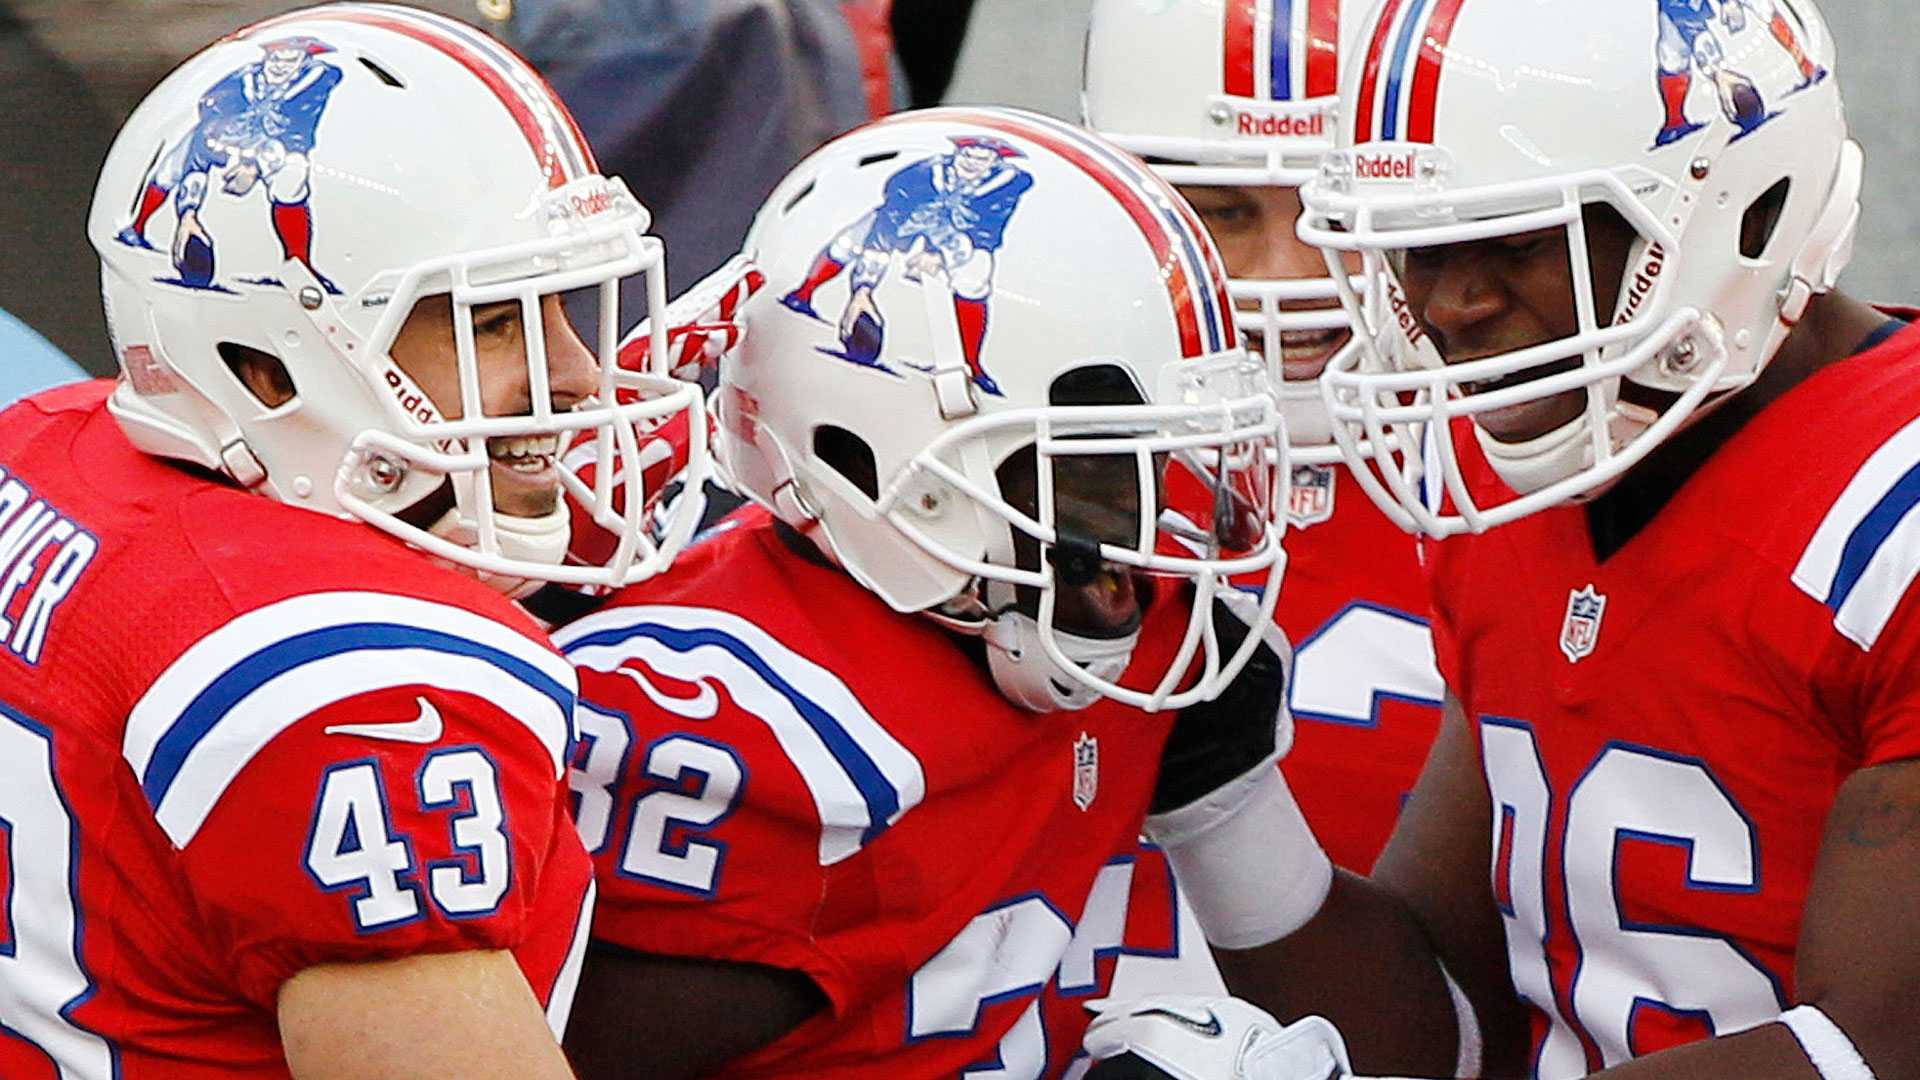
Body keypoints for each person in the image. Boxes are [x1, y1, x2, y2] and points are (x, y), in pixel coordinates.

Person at [1090, 0, 1920, 1076]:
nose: (1453, 304)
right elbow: (1444, 1018)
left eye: (1519, 241)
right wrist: (1223, 799)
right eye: (1417, 247)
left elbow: (1880, 1047)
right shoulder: (1521, 469)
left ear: (1744, 210)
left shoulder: (1890, 503)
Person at [0, 4, 710, 1076]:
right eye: (495, 322)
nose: (578, 376)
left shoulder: (47, 441)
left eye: (562, 307)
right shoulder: (368, 692)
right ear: (267, 364)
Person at [551, 106, 1294, 1078]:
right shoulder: (725, 711)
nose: (1146, 528)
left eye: (1154, 463)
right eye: (1097, 470)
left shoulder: (1137, 633)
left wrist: (1227, 799)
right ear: (874, 454)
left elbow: (1397, 1031)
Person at [1084, 0, 1444, 877]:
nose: (1290, 273)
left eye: (1337, 207)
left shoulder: (1548, 475)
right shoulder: (1027, 463)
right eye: (1224, 211)